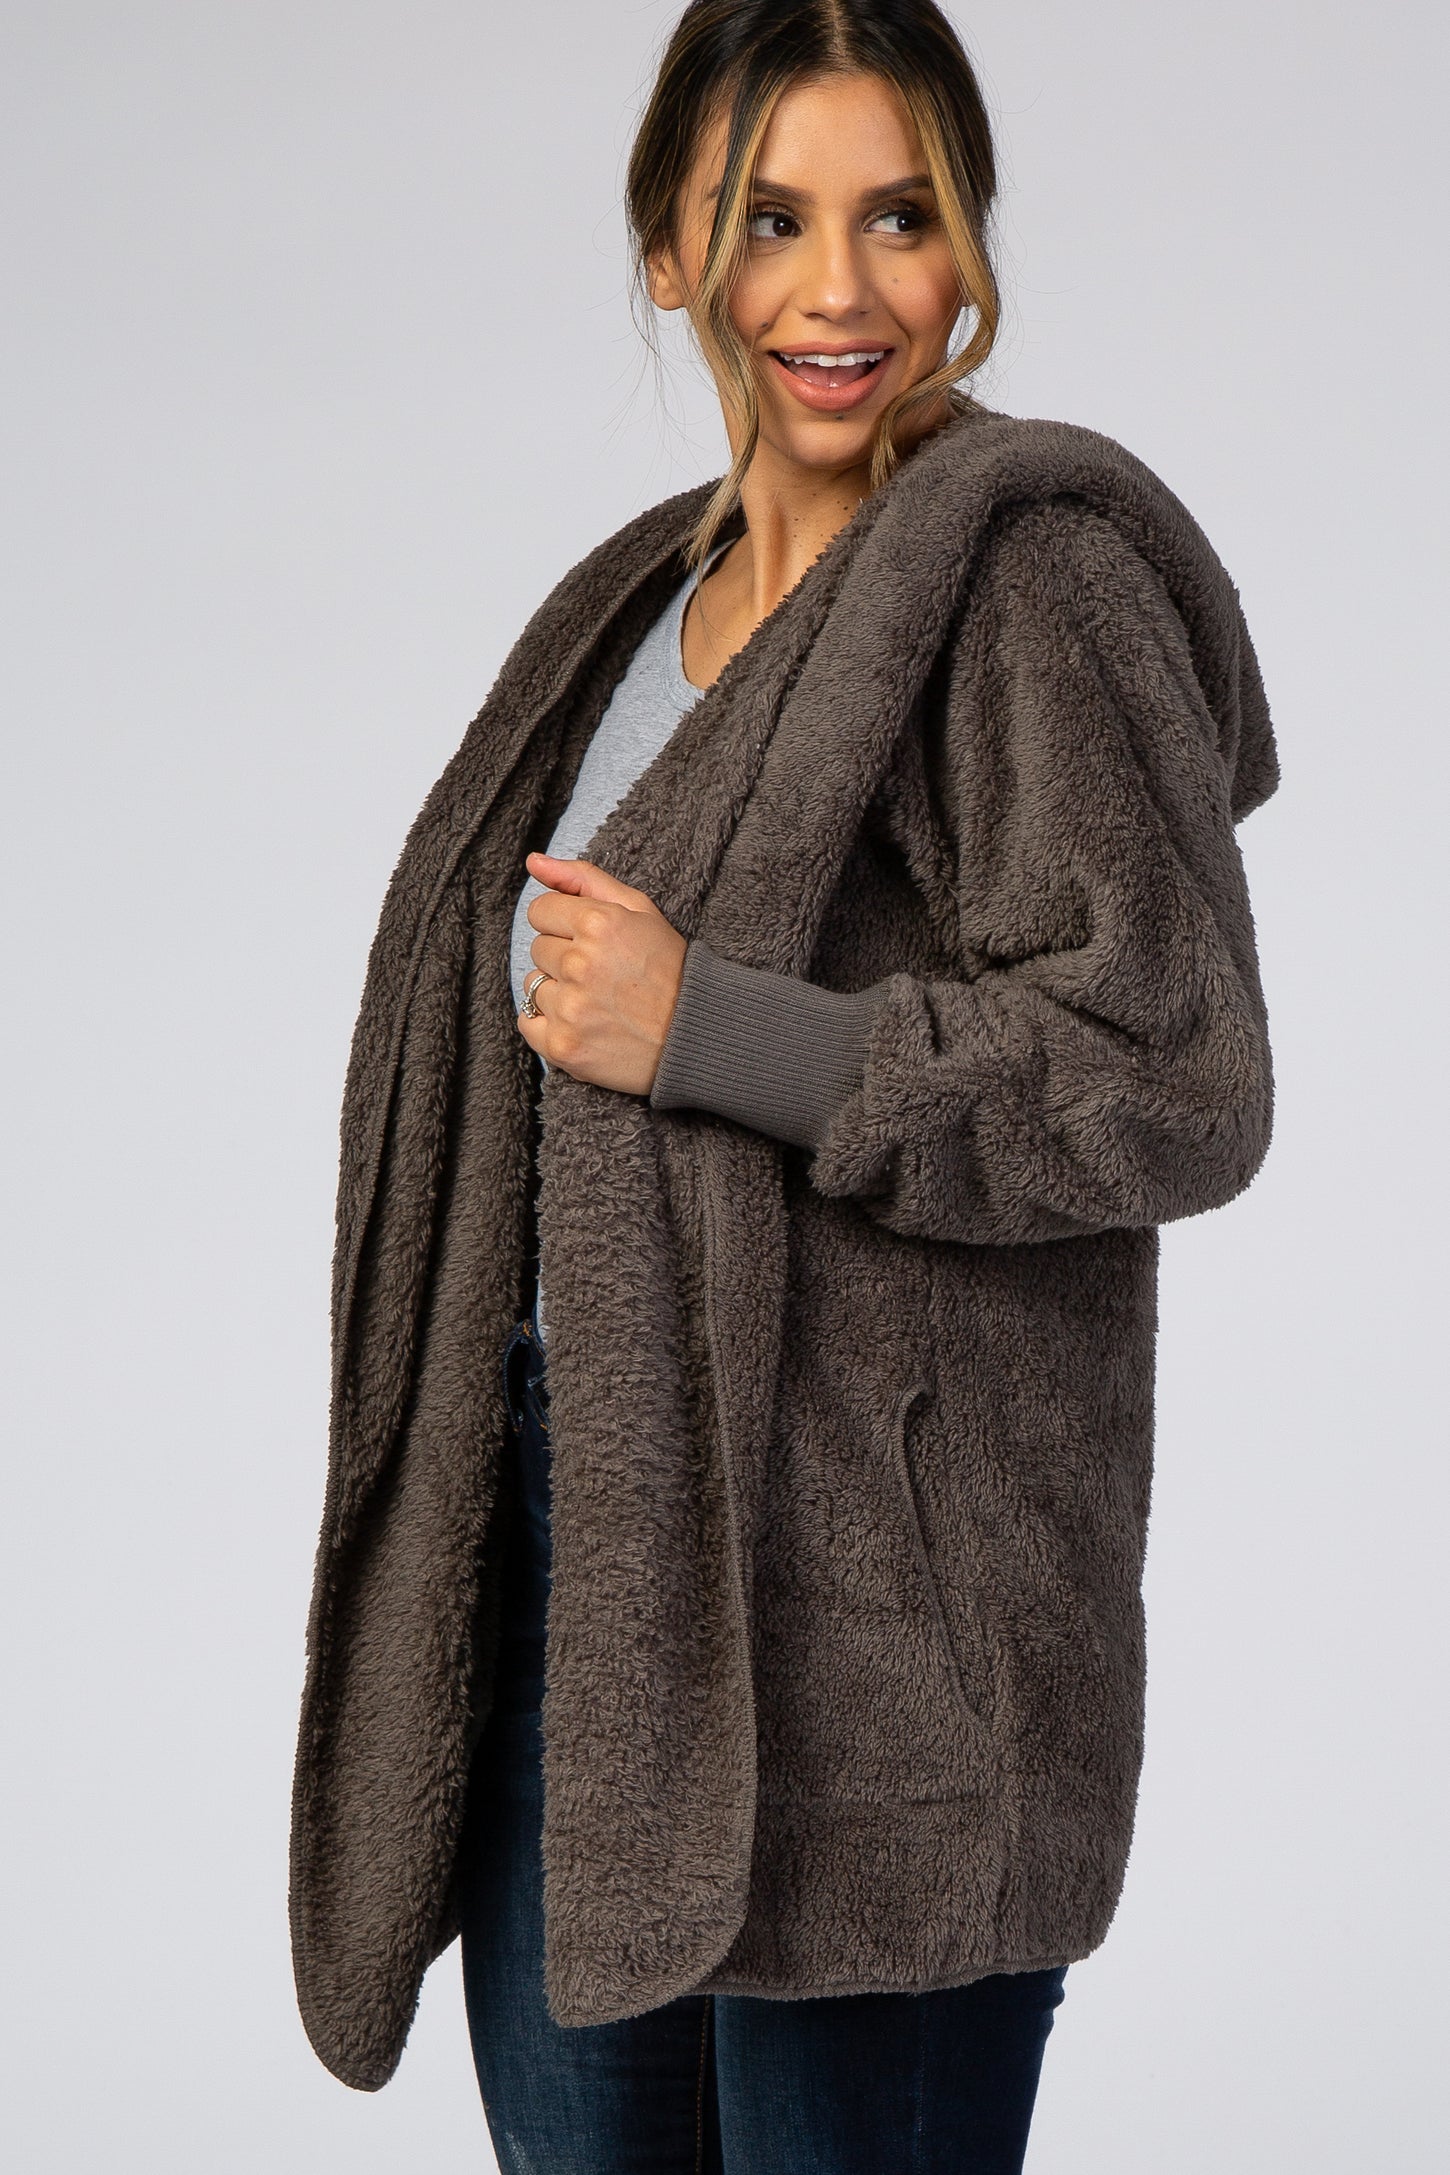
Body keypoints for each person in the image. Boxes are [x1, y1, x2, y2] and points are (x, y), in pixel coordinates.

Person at [288, 3, 1279, 2169]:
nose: (842, 290)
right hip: (581, 1580)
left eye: (900, 216)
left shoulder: (1019, 578)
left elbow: (1173, 1072)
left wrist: (716, 1030)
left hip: (872, 1644)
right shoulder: (633, 608)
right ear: (668, 250)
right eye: (770, 220)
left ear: (967, 240)